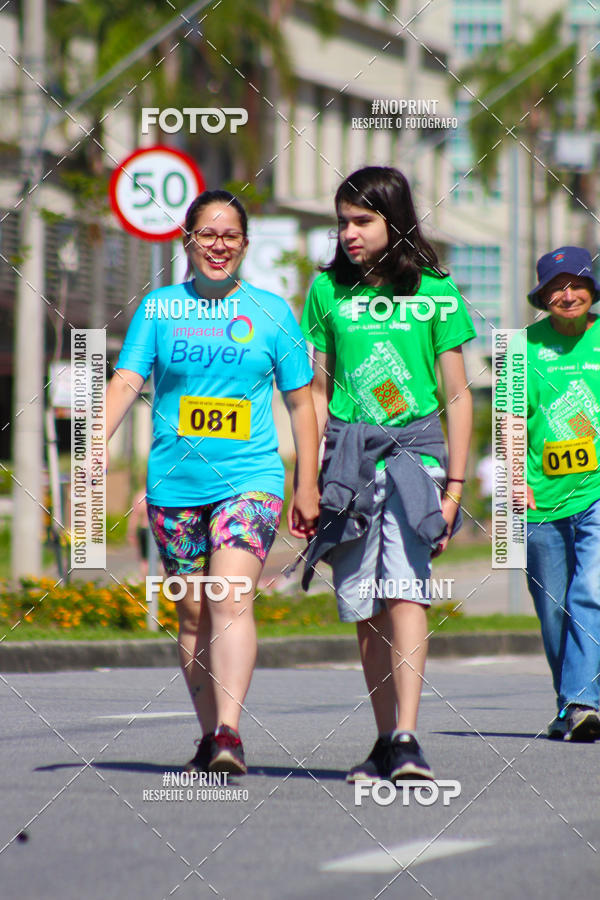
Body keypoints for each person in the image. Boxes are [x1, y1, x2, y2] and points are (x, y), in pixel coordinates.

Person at [106, 189, 319, 774]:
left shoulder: (273, 311)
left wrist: (307, 484)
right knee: (192, 611)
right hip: (174, 483)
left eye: (230, 236)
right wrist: (93, 441)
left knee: (229, 596)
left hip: (249, 479)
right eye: (208, 234)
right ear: (188, 241)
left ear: (245, 246)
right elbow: (126, 380)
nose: (218, 245)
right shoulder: (159, 310)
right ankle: (209, 736)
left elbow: (302, 405)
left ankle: (230, 731)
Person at [300, 166, 475, 782]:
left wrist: (454, 488)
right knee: (363, 604)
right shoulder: (326, 292)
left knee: (405, 586)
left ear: (393, 221)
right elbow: (315, 392)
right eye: (342, 221)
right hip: (348, 460)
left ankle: (407, 734)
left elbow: (456, 393)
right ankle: (383, 741)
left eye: (363, 221)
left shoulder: (436, 289)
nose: (349, 232)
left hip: (415, 457)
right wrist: (307, 478)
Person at [521, 246, 600, 741]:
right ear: (544, 295)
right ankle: (569, 704)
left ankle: (583, 701)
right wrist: (513, 480)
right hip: (539, 497)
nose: (567, 294)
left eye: (575, 284)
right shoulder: (520, 347)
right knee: (552, 608)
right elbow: (508, 417)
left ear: (592, 290)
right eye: (556, 286)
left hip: (596, 490)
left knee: (589, 592)